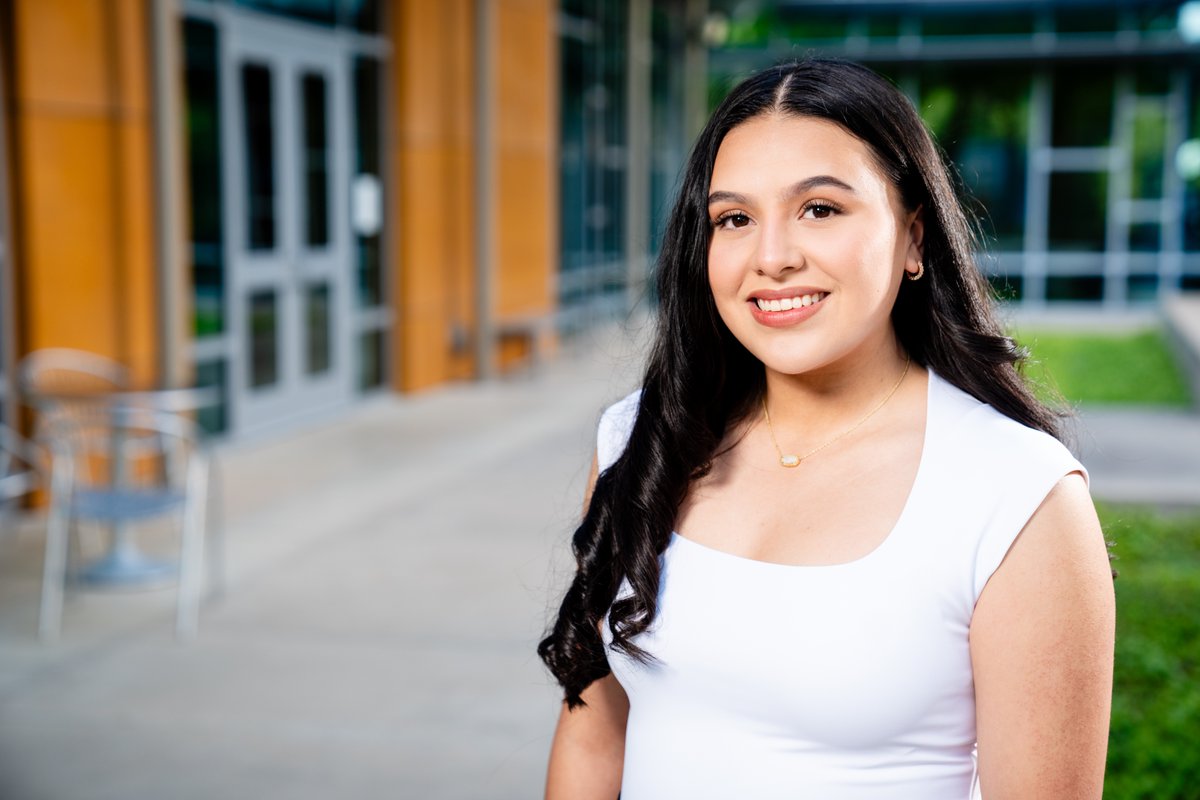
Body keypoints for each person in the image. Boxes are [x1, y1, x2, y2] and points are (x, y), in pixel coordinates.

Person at [538, 58, 1115, 799]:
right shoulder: (640, 441)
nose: (772, 257)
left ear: (914, 239)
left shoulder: (1016, 498)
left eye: (820, 209)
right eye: (734, 219)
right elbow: (592, 738)